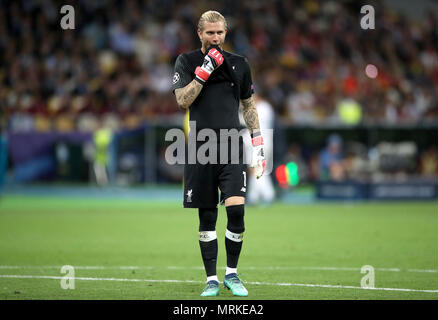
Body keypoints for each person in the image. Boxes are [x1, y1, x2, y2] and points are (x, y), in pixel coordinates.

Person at [172, 11, 266, 297]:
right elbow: (182, 100)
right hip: (200, 147)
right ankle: (211, 278)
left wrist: (258, 142)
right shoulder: (186, 62)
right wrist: (203, 72)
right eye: (210, 33)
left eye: (220, 33)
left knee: (236, 209)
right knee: (207, 215)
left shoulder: (239, 64)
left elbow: (248, 105)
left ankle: (232, 274)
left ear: (226, 33)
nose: (215, 38)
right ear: (199, 33)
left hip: (230, 145)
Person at [242, 92, 275, 205]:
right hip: (263, 140)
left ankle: (268, 195)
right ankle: (254, 197)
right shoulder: (267, 107)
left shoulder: (261, 108)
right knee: (258, 169)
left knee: (258, 169)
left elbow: (251, 124)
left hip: (258, 141)